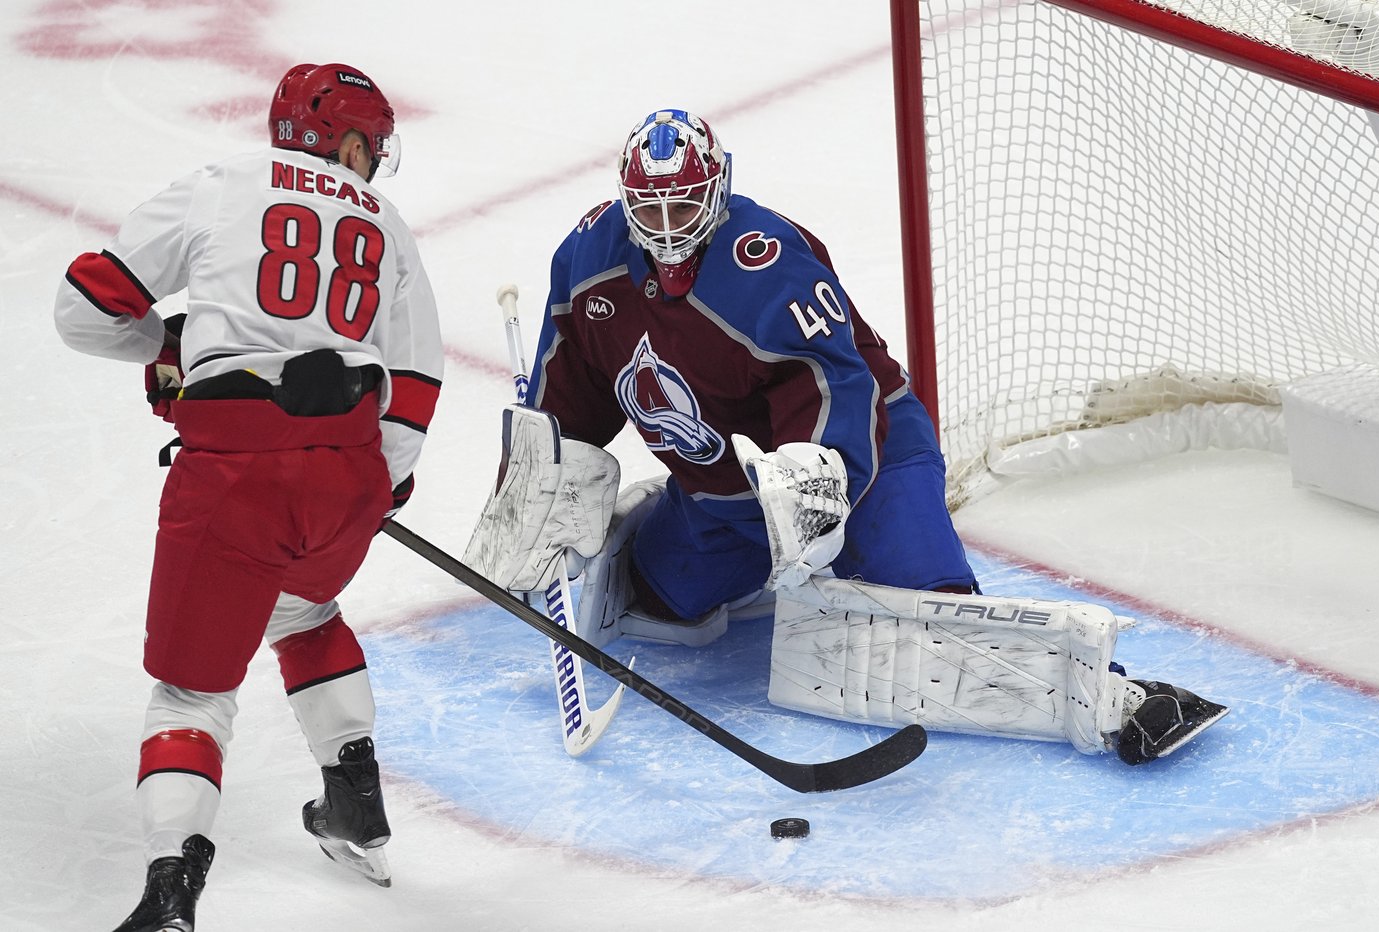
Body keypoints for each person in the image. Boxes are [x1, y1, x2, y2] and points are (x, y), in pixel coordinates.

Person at [464, 108, 1225, 773]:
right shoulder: (589, 261)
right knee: (657, 605)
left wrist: (816, 491)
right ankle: (704, 548)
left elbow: (841, 388)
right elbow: (569, 393)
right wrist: (539, 483)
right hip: (722, 498)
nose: (666, 227)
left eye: (684, 203)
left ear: (718, 188)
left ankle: (1118, 695)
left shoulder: (767, 261)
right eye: (650, 208)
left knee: (936, 631)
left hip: (869, 463)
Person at [54, 62, 443, 931]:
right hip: (348, 466)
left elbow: (84, 307)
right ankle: (355, 802)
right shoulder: (388, 220)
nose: (373, 162)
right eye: (371, 145)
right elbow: (415, 377)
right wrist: (378, 485)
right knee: (302, 612)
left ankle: (170, 893)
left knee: (193, 695)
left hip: (234, 470)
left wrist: (176, 344)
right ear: (346, 141)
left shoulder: (223, 183)